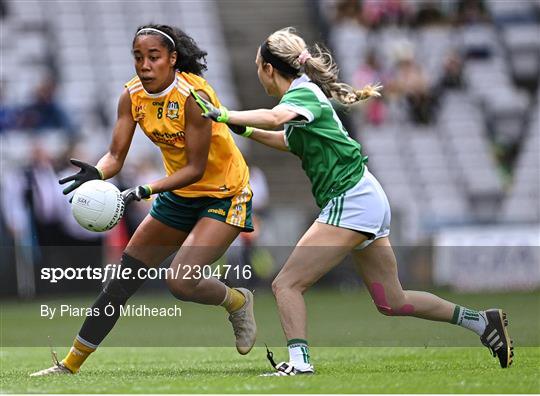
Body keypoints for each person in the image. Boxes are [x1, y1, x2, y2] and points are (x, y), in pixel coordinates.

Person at [191, 27, 513, 375]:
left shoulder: (302, 96)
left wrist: (226, 115)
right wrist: (244, 129)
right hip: (363, 198)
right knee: (393, 301)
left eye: (258, 66)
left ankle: (300, 364)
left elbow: (277, 118)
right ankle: (481, 322)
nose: (258, 72)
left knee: (286, 284)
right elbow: (287, 139)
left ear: (269, 69)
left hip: (352, 201)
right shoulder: (303, 100)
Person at [31, 24, 256, 376]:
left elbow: (197, 169)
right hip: (179, 195)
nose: (145, 65)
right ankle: (69, 366)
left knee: (180, 282)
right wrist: (99, 172)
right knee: (120, 282)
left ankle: (237, 301)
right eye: (139, 57)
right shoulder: (131, 96)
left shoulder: (194, 98)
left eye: (154, 57)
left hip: (224, 193)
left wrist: (145, 190)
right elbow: (115, 155)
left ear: (172, 59)